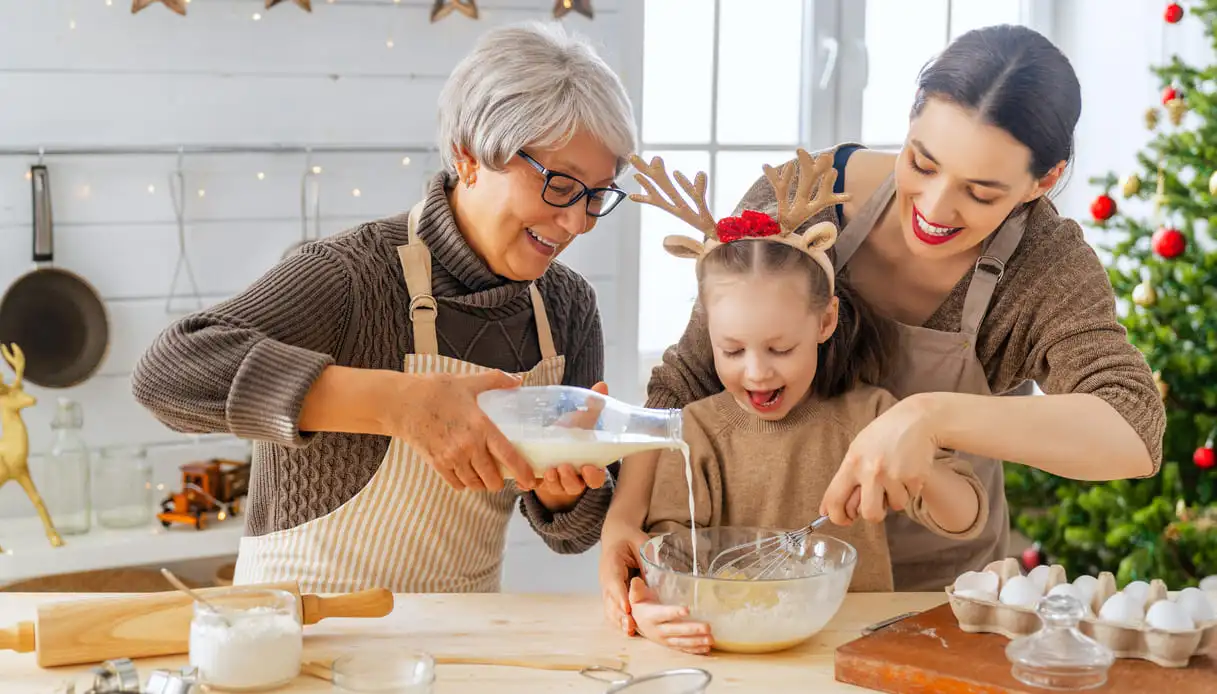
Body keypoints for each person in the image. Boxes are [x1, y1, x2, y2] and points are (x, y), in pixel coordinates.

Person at [602, 23, 1166, 632]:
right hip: (768, 595)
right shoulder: (804, 198)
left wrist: (928, 418)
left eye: (981, 193)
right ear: (911, 115)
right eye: (922, 162)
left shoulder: (1044, 267)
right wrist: (624, 518)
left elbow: (1134, 430)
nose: (934, 208)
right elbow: (685, 381)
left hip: (943, 601)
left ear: (1044, 180)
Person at [131, 21, 638, 593]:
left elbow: (572, 533)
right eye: (561, 185)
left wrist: (562, 491)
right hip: (304, 627)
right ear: (469, 156)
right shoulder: (351, 276)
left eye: (597, 195)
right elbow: (166, 375)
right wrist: (400, 404)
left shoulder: (567, 307)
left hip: (463, 632)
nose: (578, 222)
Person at [623, 151, 989, 655]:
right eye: (732, 350)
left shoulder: (872, 418)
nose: (756, 371)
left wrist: (919, 467)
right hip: (729, 649)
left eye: (780, 349)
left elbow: (966, 516)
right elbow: (665, 555)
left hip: (853, 644)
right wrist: (651, 611)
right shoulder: (697, 433)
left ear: (825, 322)